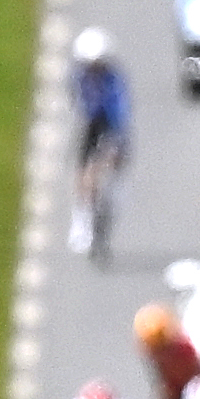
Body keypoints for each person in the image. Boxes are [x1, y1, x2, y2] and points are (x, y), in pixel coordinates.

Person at [68, 29, 133, 260]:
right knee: (85, 172)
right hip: (92, 126)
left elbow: (121, 113)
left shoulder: (114, 80)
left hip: (113, 128)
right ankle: (82, 218)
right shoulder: (79, 76)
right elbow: (80, 105)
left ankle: (106, 217)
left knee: (112, 177)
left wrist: (115, 148)